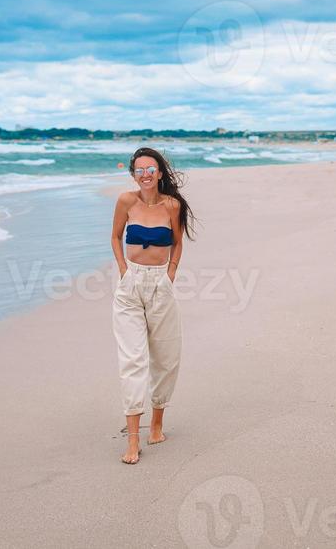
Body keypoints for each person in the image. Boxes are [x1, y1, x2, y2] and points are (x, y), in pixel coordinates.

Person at [111, 146, 197, 464]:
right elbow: (115, 237)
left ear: (159, 173)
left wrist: (170, 275)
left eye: (151, 169)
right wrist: (124, 272)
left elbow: (177, 243)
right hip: (130, 286)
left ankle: (157, 423)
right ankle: (133, 439)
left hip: (161, 284)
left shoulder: (173, 205)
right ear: (133, 174)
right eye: (139, 170)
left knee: (165, 357)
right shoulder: (125, 201)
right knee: (132, 361)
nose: (145, 174)